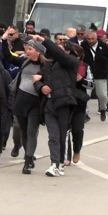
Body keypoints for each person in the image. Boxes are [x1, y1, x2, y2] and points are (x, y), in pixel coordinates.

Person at [33, 35, 80, 177]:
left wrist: (44, 41)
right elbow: (38, 79)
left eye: (59, 49)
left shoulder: (71, 62)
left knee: (62, 135)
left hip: (64, 103)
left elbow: (59, 55)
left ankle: (62, 163)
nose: (55, 52)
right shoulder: (49, 65)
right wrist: (41, 87)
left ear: (67, 52)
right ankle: (54, 164)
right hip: (49, 104)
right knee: (53, 136)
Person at [3, 38, 47, 174]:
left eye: (30, 49)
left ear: (38, 52)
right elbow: (8, 57)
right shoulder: (25, 61)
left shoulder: (46, 66)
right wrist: (4, 41)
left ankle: (28, 160)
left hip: (35, 102)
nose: (27, 51)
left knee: (31, 131)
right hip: (21, 100)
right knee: (23, 131)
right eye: (27, 49)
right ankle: (28, 154)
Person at [83, 29, 108, 121]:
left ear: (97, 38)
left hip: (100, 74)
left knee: (102, 95)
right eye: (89, 39)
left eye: (93, 39)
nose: (91, 41)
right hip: (87, 74)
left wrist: (104, 69)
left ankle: (103, 108)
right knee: (85, 95)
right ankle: (85, 113)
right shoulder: (84, 46)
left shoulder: (104, 46)